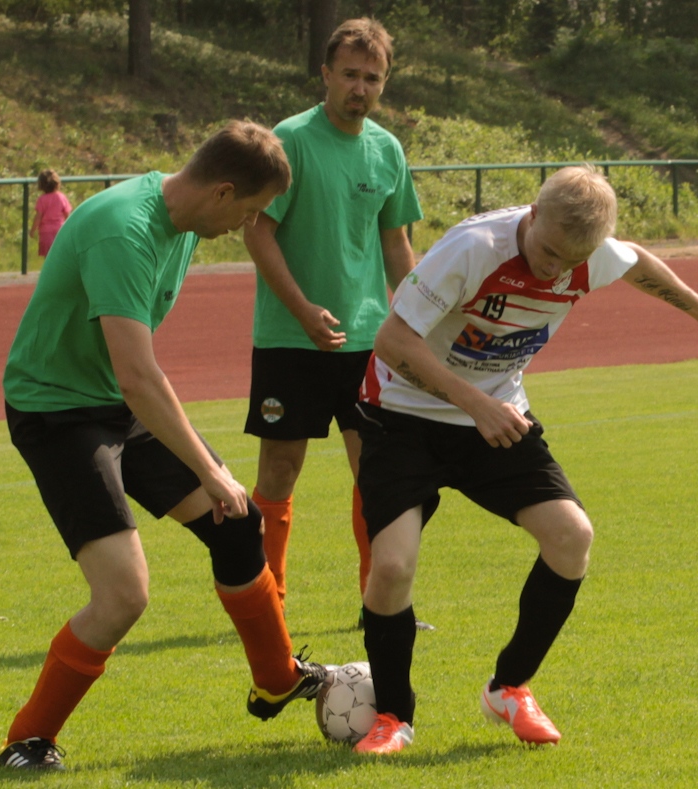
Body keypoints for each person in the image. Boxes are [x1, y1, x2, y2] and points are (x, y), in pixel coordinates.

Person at [350, 166, 698, 754]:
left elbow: (637, 261)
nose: (553, 270)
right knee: (391, 568)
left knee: (571, 537)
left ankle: (509, 688)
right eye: (547, 253)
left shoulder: (586, 253)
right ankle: (392, 717)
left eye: (571, 262)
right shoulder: (473, 249)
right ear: (532, 214)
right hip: (402, 416)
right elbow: (392, 340)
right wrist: (476, 405)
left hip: (495, 415)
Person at [0, 121, 328, 771]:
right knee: (124, 594)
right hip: (56, 412)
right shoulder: (124, 229)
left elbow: (131, 381)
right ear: (223, 191)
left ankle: (277, 679)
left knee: (238, 523)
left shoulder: (184, 223)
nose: (247, 225)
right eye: (250, 211)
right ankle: (27, 741)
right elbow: (137, 375)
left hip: (113, 403)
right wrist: (210, 469)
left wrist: (215, 480)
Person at [242, 18, 426, 626]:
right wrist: (302, 309)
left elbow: (396, 244)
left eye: (372, 78)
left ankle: (380, 601)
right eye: (350, 74)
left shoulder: (387, 149)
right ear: (325, 74)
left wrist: (421, 318)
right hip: (289, 338)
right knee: (278, 471)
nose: (360, 88)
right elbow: (258, 232)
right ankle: (269, 605)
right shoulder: (290, 140)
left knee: (376, 472)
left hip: (368, 340)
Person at [29, 169, 73, 258]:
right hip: (60, 230)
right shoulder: (61, 197)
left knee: (48, 257)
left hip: (46, 232)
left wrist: (32, 230)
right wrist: (70, 228)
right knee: (60, 256)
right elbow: (67, 214)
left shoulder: (42, 200)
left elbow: (38, 217)